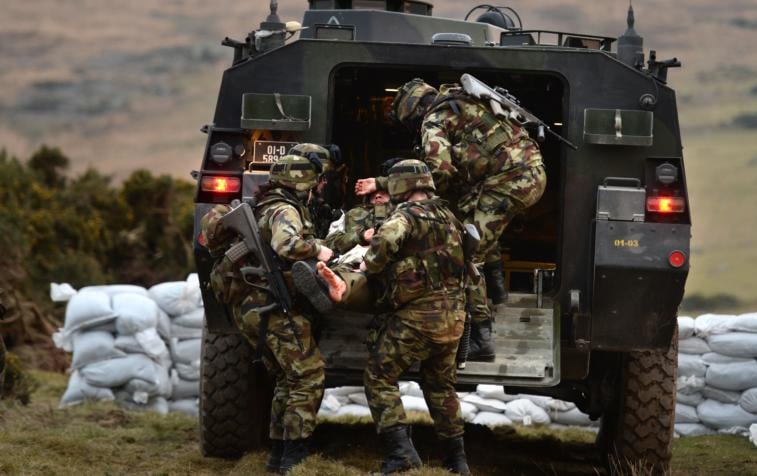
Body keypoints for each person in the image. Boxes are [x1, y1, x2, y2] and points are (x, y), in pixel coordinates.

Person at [356, 78, 547, 362]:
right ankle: (497, 291)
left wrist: (384, 183)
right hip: (523, 175)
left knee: (468, 256)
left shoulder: (434, 119)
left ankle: (481, 339)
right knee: (475, 230)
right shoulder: (460, 100)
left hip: (509, 182)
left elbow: (439, 171)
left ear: (413, 112)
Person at [200, 149, 337, 474]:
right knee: (307, 373)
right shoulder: (284, 210)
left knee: (285, 377)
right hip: (270, 305)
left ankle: (278, 452)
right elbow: (286, 245)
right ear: (302, 181)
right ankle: (294, 454)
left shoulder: (264, 204)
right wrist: (321, 249)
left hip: (253, 305)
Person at [362, 159, 470, 475]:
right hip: (453, 319)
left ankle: (401, 453)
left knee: (378, 375)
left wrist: (372, 264)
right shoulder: (449, 216)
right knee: (440, 386)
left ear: (400, 187)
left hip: (419, 320)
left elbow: (385, 241)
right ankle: (457, 460)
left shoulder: (405, 216)